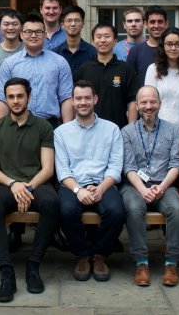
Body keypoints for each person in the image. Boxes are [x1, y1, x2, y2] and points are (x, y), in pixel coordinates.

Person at [0, 78, 59, 303]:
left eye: (20, 96)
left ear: (28, 97)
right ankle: (7, 272)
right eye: (11, 97)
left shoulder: (44, 126)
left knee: (52, 203)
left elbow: (47, 168)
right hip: (7, 184)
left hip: (36, 184)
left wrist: (27, 187)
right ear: (5, 99)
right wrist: (13, 184)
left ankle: (33, 265)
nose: (15, 101)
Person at [54, 80, 125, 283]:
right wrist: (78, 190)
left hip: (103, 183)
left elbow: (115, 166)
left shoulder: (112, 129)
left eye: (87, 98)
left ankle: (101, 254)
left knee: (117, 212)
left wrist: (101, 188)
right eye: (78, 99)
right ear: (73, 102)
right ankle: (83, 254)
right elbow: (62, 169)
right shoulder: (61, 132)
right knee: (65, 210)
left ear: (95, 99)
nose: (83, 102)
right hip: (73, 184)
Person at [120, 85, 179, 287]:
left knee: (177, 209)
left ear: (160, 104)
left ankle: (171, 263)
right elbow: (128, 167)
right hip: (135, 185)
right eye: (144, 102)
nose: (149, 106)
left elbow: (176, 164)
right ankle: (141, 263)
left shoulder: (174, 131)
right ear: (137, 105)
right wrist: (143, 189)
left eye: (153, 102)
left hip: (164, 183)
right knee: (133, 207)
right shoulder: (127, 132)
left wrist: (162, 187)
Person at [0, 13, 73, 127]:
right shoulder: (9, 64)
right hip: (17, 124)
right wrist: (1, 131)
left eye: (38, 32)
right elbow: (2, 99)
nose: (33, 35)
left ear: (45, 34)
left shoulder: (60, 62)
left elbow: (66, 98)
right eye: (28, 32)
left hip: (50, 125)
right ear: (21, 35)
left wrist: (67, 130)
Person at [74, 23, 138, 129]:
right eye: (98, 37)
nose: (103, 40)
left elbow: (132, 102)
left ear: (115, 41)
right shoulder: (84, 69)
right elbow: (76, 100)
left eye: (107, 36)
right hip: (88, 129)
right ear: (93, 41)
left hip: (119, 130)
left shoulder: (126, 69)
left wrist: (131, 130)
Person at [53, 5, 96, 76]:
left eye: (77, 20)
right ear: (62, 25)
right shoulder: (55, 54)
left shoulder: (93, 53)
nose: (73, 24)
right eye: (69, 20)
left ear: (83, 24)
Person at [127, 5, 168, 79]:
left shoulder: (173, 50)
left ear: (166, 24)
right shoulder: (135, 52)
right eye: (152, 22)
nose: (156, 25)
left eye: (160, 22)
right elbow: (130, 82)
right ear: (146, 24)